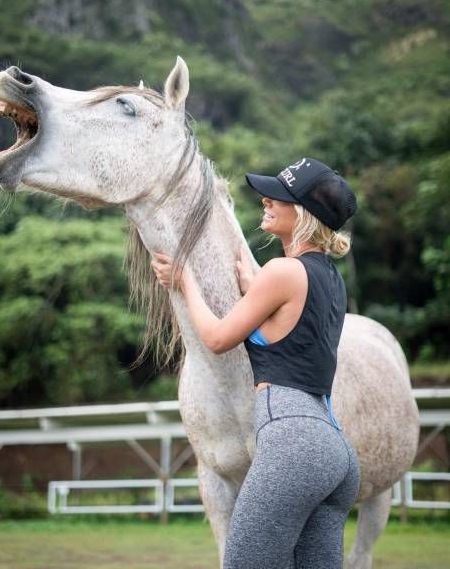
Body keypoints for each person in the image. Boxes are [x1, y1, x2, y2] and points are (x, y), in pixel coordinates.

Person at [151, 157, 361, 569]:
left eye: (279, 197)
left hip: (293, 443)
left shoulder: (282, 272)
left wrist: (184, 280)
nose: (266, 199)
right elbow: (292, 334)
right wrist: (255, 290)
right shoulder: (330, 279)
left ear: (303, 214)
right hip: (334, 449)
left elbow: (215, 338)